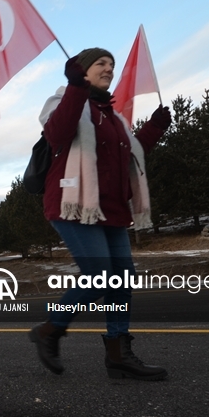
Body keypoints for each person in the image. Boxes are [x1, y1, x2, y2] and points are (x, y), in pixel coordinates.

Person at [30, 49, 171, 380]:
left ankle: (119, 354)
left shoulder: (113, 115)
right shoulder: (63, 100)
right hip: (73, 204)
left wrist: (155, 128)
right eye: (101, 64)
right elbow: (57, 133)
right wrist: (75, 87)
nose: (109, 69)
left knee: (121, 280)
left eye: (111, 64)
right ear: (83, 70)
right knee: (99, 275)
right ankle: (50, 329)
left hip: (111, 209)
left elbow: (130, 155)